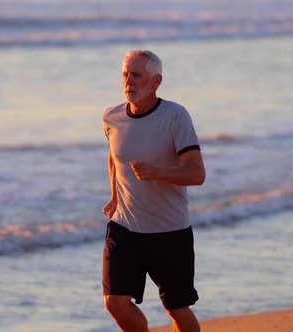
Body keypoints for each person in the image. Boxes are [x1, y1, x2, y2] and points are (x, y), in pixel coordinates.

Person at [102, 49, 206, 332]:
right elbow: (115, 157)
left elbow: (197, 174)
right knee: (115, 302)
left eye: (136, 75)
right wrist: (114, 195)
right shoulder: (112, 117)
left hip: (169, 231)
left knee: (176, 307)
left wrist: (158, 173)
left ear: (156, 81)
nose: (128, 82)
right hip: (125, 227)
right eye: (125, 74)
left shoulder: (176, 116)